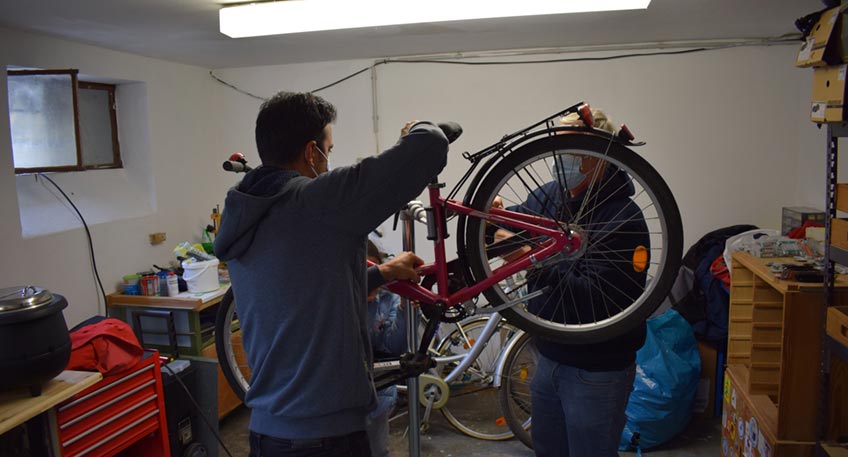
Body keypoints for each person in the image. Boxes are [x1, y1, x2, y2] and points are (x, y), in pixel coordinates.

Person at [213, 91, 448, 457]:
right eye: (329, 150)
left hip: (266, 433)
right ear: (311, 152)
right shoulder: (318, 199)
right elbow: (430, 144)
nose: (328, 161)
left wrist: (382, 273)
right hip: (324, 438)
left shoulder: (248, 206)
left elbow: (301, 290)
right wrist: (414, 130)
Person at [493, 109, 648, 457]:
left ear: (598, 156)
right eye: (557, 148)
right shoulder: (551, 195)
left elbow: (602, 301)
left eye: (571, 148)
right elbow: (516, 226)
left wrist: (531, 259)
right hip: (547, 356)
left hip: (596, 370)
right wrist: (494, 217)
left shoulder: (623, 218)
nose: (560, 158)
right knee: (548, 450)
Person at [364, 240, 408, 457]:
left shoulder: (389, 297)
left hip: (379, 394)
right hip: (342, 399)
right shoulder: (339, 298)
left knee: (378, 450)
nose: (372, 292)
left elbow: (394, 347)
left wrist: (404, 310)